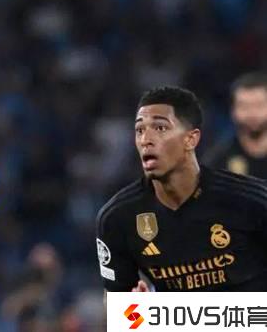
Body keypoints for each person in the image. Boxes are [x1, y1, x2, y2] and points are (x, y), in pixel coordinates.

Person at [96, 86, 267, 292]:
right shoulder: (118, 217)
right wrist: (137, 308)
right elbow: (116, 301)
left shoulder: (253, 201)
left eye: (160, 128)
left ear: (191, 139)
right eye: (140, 130)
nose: (145, 140)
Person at [205, 72, 267, 178]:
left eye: (259, 105)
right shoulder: (217, 161)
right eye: (244, 106)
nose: (252, 114)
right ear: (233, 111)